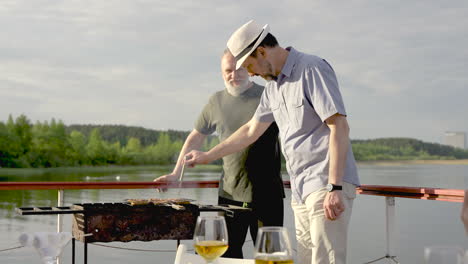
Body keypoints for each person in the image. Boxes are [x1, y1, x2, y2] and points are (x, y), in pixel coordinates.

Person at [184, 20, 361, 264]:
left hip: (325, 183)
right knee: (308, 260)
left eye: (249, 66)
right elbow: (249, 132)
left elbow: (339, 126)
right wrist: (206, 156)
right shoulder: (272, 90)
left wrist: (335, 187)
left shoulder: (312, 68)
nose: (252, 73)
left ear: (262, 52)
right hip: (301, 189)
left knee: (326, 260)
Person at [154, 50, 284, 258]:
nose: (235, 74)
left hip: (267, 194)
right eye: (228, 70)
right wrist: (176, 173)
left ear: (249, 69)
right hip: (229, 196)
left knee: (270, 257)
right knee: (228, 257)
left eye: (240, 68)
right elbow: (195, 138)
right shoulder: (216, 101)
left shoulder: (268, 95)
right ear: (222, 73)